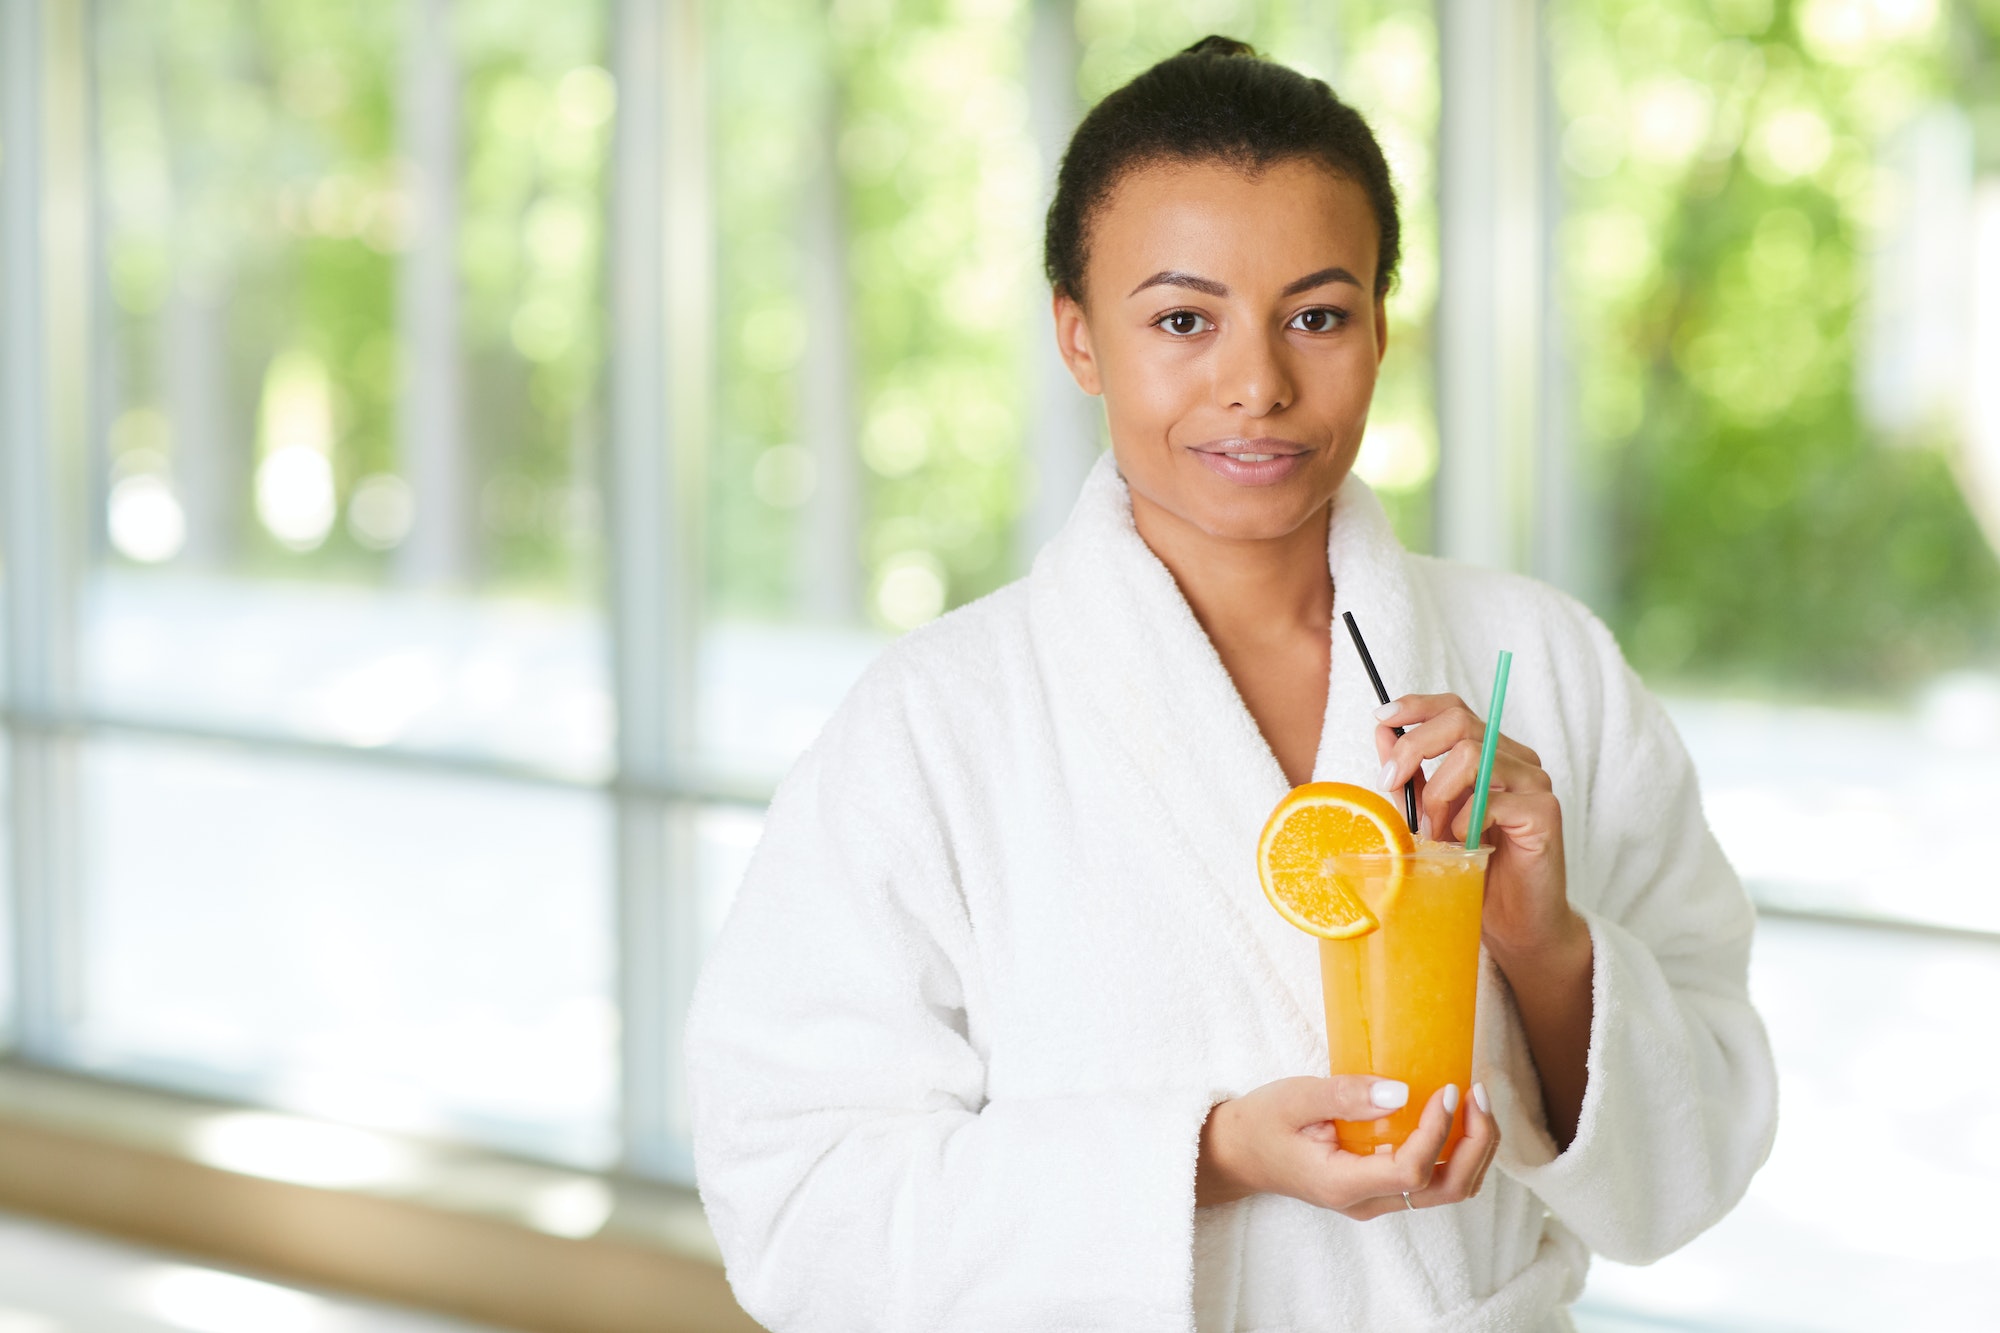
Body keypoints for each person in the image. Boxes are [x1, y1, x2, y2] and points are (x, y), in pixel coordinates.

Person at [687, 36, 1777, 1332]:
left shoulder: (1548, 667)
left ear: (1381, 327)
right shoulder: (933, 727)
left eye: (1317, 313)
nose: (1257, 383)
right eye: (1183, 320)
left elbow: (1703, 1151)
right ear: (1079, 337)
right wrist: (1208, 1154)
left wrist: (1543, 940)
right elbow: (800, 1205)